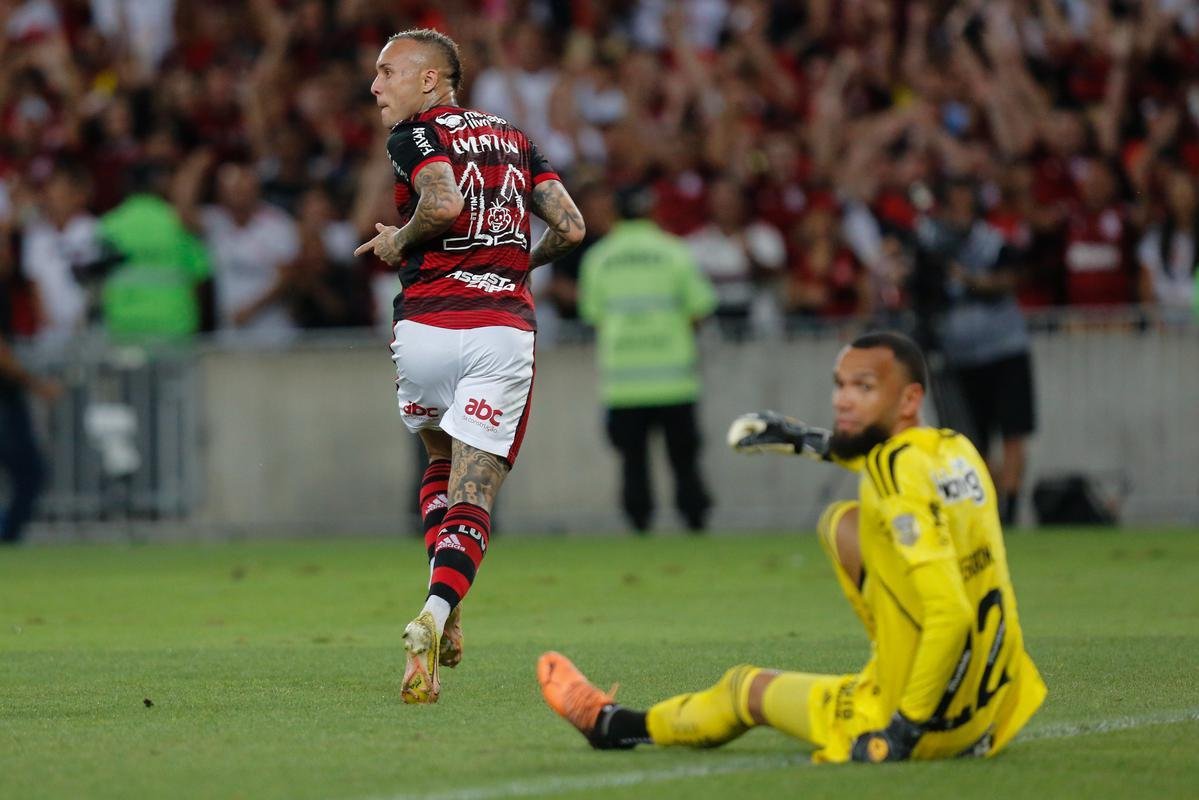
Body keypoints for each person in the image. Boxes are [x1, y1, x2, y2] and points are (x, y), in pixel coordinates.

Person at [539, 331, 1046, 763]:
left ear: (909, 400)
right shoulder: (955, 449)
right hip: (992, 711)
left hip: (924, 720)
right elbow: (879, 459)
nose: (844, 399)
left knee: (743, 689)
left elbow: (950, 614)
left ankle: (613, 725)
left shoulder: (894, 474)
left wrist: (903, 730)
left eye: (864, 388)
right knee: (842, 523)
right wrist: (800, 439)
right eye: (840, 385)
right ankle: (899, 664)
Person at [353, 28, 584, 704]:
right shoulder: (516, 140)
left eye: (387, 72)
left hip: (425, 327)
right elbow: (569, 228)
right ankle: (435, 610)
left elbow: (442, 200)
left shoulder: (418, 133)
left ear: (431, 80)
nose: (375, 87)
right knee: (473, 492)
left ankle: (444, 608)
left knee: (436, 461)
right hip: (499, 332)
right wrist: (514, 265)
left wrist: (398, 237)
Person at [577, 187, 716, 533]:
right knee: (684, 459)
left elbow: (593, 316)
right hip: (674, 380)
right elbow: (699, 309)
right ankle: (694, 518)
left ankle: (639, 522)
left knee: (632, 461)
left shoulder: (599, 258)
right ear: (651, 211)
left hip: (623, 382)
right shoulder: (674, 252)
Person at [914, 177, 1035, 526]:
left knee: (1013, 429)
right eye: (954, 203)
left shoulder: (991, 241)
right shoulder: (930, 243)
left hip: (1004, 346)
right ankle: (991, 501)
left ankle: (1010, 505)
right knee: (972, 437)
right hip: (960, 354)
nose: (960, 212)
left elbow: (1017, 274)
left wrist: (973, 281)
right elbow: (923, 292)